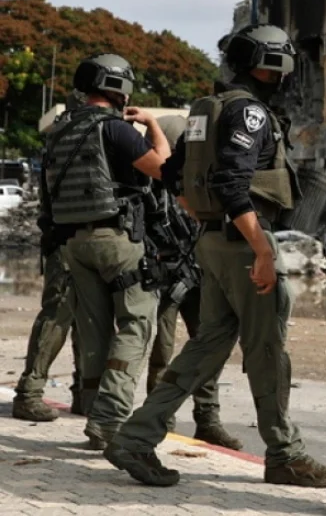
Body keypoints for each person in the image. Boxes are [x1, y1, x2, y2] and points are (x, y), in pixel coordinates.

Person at [106, 24, 326, 489]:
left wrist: (205, 218)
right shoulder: (249, 112)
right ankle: (285, 455)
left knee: (206, 346)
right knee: (267, 351)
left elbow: (172, 174)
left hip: (212, 241)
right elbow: (231, 182)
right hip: (244, 242)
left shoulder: (205, 109)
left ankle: (135, 437)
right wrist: (261, 249)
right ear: (272, 66)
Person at [42, 55, 171, 449]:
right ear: (119, 88)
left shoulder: (60, 130)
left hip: (72, 243)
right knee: (135, 324)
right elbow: (164, 167)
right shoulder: (113, 127)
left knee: (93, 330)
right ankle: (111, 418)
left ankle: (93, 409)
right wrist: (152, 125)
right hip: (115, 239)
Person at [140, 114, 242, 451]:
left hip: (198, 275)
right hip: (165, 279)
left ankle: (207, 419)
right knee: (162, 352)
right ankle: (160, 422)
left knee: (210, 348)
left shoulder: (200, 181)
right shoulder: (148, 184)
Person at [11, 91, 88, 423]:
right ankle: (29, 393)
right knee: (58, 315)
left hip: (72, 240)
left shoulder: (62, 138)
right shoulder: (72, 139)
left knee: (86, 319)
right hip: (68, 240)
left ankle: (85, 394)